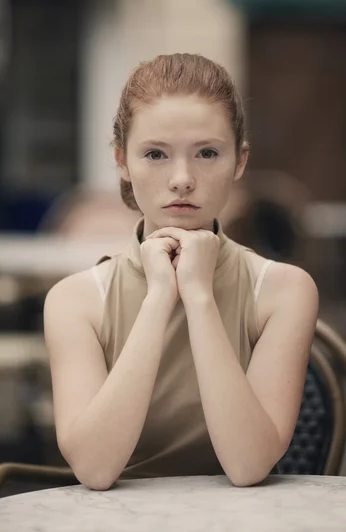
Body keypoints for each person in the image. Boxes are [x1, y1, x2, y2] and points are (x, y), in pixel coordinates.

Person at [44, 53, 319, 490]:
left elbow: (248, 466)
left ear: (240, 162)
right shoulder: (75, 300)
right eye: (155, 154)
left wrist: (199, 295)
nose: (182, 178)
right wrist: (157, 298)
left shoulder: (284, 290)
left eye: (207, 153)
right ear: (121, 161)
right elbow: (95, 470)